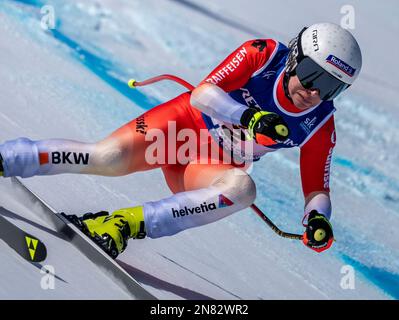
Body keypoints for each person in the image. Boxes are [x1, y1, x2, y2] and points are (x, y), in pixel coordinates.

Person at [0, 22, 362, 257]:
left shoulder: (319, 122)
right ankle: (10, 158)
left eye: (332, 87)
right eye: (313, 75)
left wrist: (317, 220)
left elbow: (317, 190)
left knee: (242, 188)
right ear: (296, 57)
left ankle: (125, 224)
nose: (315, 92)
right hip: (180, 127)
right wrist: (250, 116)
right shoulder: (263, 54)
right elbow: (202, 94)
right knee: (105, 159)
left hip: (207, 165)